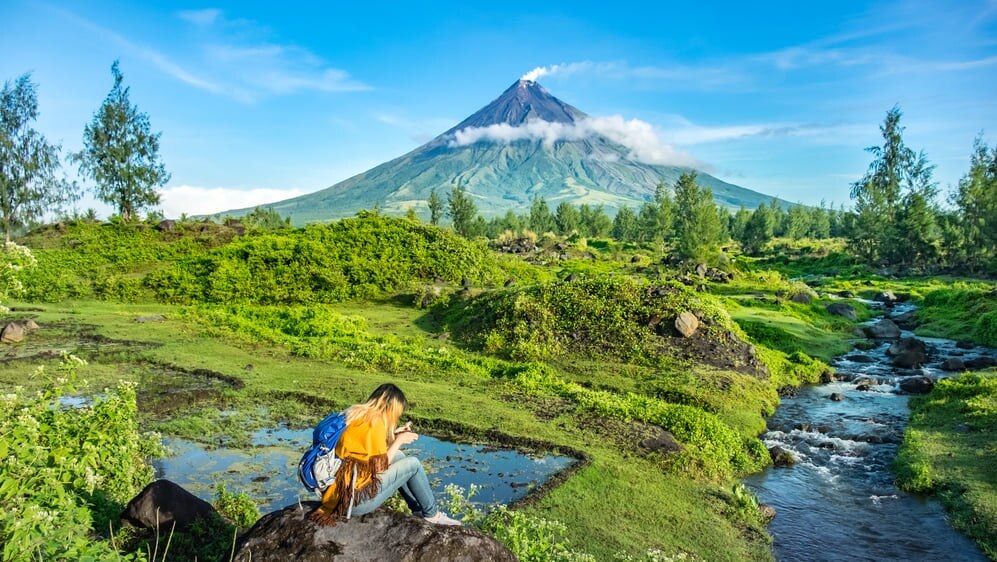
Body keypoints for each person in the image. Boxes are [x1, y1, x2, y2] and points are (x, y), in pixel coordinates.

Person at [309, 383, 461, 526]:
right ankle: (432, 515)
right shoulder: (375, 422)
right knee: (413, 464)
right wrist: (399, 440)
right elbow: (379, 467)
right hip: (354, 501)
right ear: (391, 408)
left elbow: (363, 451)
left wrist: (394, 435)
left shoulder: (355, 414)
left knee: (399, 456)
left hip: (338, 492)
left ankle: (417, 509)